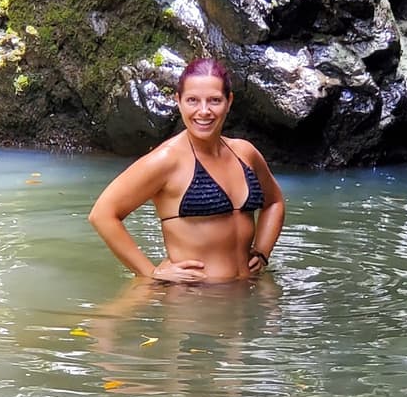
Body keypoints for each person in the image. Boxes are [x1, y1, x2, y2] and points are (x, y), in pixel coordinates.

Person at [89, 57, 285, 283]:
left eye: (214, 100)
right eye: (193, 100)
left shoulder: (245, 153)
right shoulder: (166, 160)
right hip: (193, 301)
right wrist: (150, 272)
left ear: (229, 101)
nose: (204, 111)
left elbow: (274, 203)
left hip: (248, 293)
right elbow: (102, 214)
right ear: (178, 101)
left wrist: (262, 251)